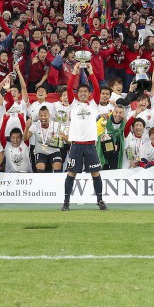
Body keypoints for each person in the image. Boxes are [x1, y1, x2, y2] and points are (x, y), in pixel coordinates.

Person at [62, 62, 106, 211]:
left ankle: (100, 200)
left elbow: (98, 88)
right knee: (71, 173)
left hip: (90, 145)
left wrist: (91, 72)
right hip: (76, 144)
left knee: (95, 173)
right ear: (77, 93)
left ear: (88, 94)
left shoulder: (93, 104)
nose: (82, 93)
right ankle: (66, 202)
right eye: (80, 91)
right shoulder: (73, 104)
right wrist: (74, 72)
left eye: (85, 92)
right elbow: (68, 88)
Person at [24, 107, 64, 173]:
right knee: (40, 166)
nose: (43, 117)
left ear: (49, 116)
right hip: (40, 152)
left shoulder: (56, 125)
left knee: (57, 166)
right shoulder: (35, 125)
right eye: (41, 115)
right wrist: (27, 127)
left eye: (45, 115)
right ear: (39, 117)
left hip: (54, 152)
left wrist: (64, 137)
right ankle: (41, 183)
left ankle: (57, 183)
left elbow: (68, 140)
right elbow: (25, 138)